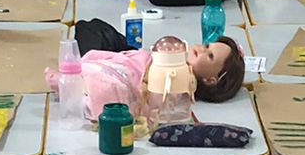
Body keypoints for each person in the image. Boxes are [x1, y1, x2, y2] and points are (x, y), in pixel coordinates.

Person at [70, 24, 245, 116]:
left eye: (210, 56)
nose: (202, 49)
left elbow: (147, 96)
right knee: (92, 27)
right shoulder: (177, 58)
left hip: (116, 75)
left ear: (210, 80)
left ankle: (73, 76)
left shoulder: (177, 86)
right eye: (207, 46)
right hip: (122, 60)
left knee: (90, 35)